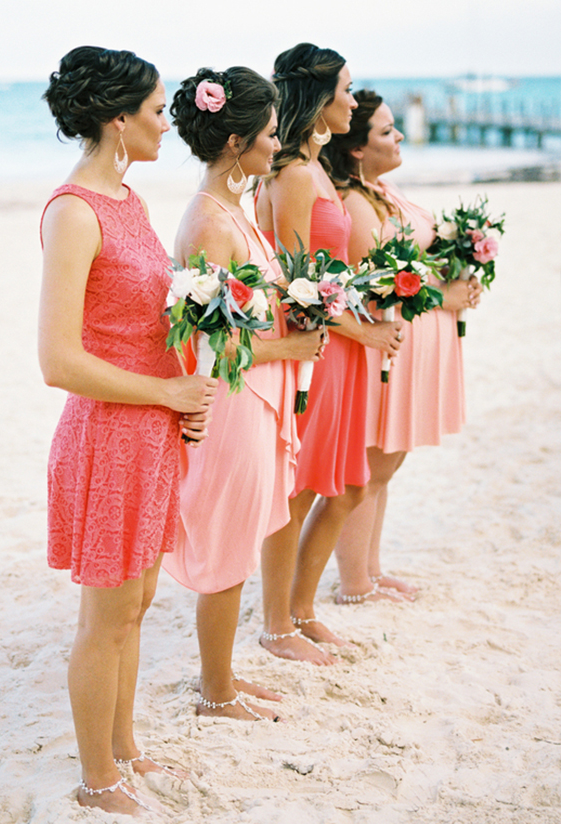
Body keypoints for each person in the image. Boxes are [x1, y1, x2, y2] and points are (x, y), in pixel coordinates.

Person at [39, 46, 217, 816]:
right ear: (118, 119)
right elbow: (57, 359)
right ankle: (95, 778)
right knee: (106, 617)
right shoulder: (74, 210)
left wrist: (186, 393)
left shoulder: (130, 202)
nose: (164, 123)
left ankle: (125, 747)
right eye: (153, 110)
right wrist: (165, 389)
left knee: (137, 603)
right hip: (108, 436)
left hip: (151, 431)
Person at [163, 66, 323, 719]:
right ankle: (216, 690)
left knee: (241, 537)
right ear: (234, 140)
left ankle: (221, 676)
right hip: (233, 402)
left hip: (258, 396)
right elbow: (214, 345)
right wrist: (290, 349)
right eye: (266, 133)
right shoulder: (208, 224)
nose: (275, 144)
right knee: (228, 542)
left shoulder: (237, 208)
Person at [255, 45, 404, 663]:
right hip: (315, 352)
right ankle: (277, 625)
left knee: (342, 485)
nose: (352, 99)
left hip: (338, 346)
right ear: (317, 98)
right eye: (345, 88)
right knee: (299, 489)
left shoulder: (315, 169)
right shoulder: (291, 173)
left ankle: (303, 607)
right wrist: (361, 331)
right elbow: (294, 287)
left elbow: (323, 278)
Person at [321, 90, 481, 602]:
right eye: (387, 131)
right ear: (358, 149)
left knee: (388, 463)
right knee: (370, 466)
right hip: (383, 348)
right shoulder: (354, 202)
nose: (399, 136)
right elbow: (379, 282)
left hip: (412, 345)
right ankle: (353, 582)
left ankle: (370, 567)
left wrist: (462, 263)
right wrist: (446, 292)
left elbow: (417, 261)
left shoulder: (384, 191)